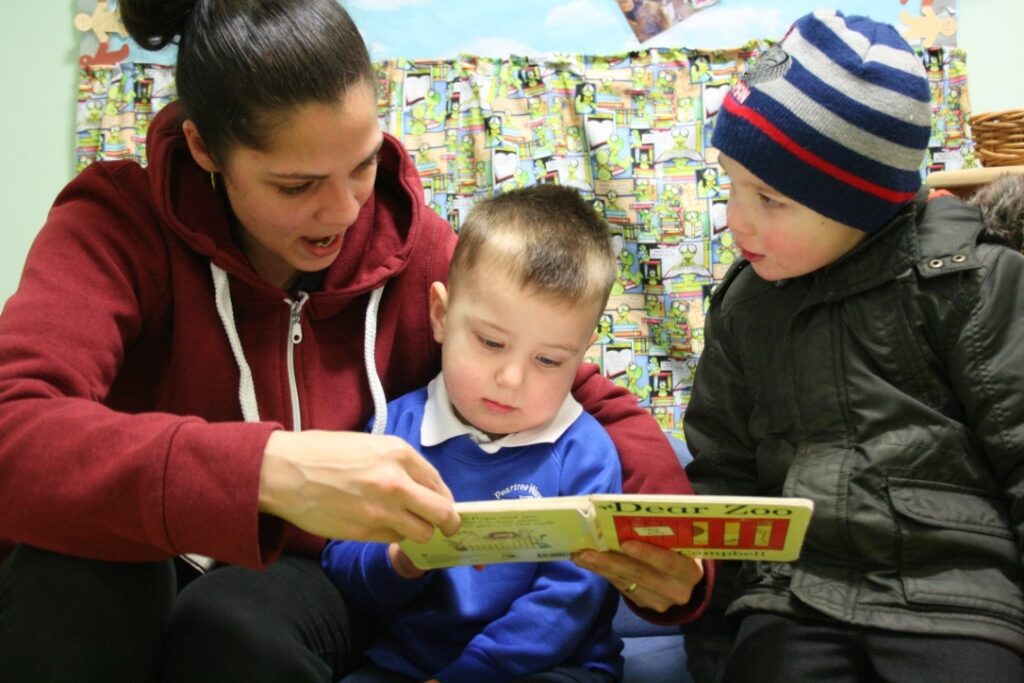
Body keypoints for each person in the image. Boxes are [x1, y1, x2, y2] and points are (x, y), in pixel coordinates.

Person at [0, 1, 707, 680]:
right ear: (204, 149)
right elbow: (15, 424)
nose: (342, 211)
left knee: (239, 628)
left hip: (306, 582)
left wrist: (677, 552)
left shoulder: (411, 247)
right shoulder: (115, 225)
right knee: (69, 576)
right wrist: (266, 470)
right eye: (296, 183)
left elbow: (577, 389)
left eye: (364, 164)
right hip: (131, 547)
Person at [682, 9, 1024, 682]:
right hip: (789, 600)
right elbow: (723, 481)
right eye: (729, 182)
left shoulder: (972, 280)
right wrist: (717, 655)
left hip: (958, 600)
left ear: (861, 201)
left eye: (771, 199)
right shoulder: (744, 306)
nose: (736, 218)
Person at [324, 184, 627, 683]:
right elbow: (343, 561)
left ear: (582, 352)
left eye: (549, 360)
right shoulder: (393, 427)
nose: (511, 380)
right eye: (490, 342)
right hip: (403, 666)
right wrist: (398, 561)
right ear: (441, 316)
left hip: (551, 667)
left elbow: (567, 602)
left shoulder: (586, 454)